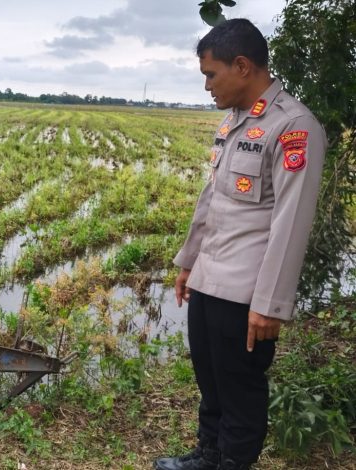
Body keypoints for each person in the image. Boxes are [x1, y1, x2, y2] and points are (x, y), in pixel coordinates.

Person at [154, 18, 326, 470]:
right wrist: (189, 262)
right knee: (210, 379)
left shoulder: (293, 126)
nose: (207, 85)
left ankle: (232, 462)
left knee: (240, 388)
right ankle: (208, 454)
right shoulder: (233, 121)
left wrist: (270, 304)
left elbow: (292, 222)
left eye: (211, 74)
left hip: (246, 292)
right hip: (209, 277)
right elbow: (212, 198)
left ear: (243, 66)